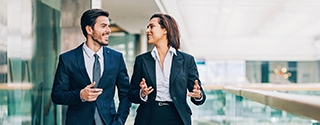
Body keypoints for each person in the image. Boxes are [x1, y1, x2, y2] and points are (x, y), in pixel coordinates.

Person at [51, 8, 131, 125]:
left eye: (108, 26)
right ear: (89, 29)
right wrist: (80, 95)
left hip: (108, 122)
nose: (108, 30)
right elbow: (57, 95)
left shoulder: (116, 58)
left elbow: (126, 95)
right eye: (103, 26)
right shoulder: (68, 59)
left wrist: (119, 121)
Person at [128, 13, 206, 125]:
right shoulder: (142, 60)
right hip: (148, 117)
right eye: (147, 27)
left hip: (177, 117)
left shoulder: (186, 60)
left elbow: (199, 96)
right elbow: (132, 94)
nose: (147, 31)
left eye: (151, 26)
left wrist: (198, 95)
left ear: (165, 30)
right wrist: (142, 93)